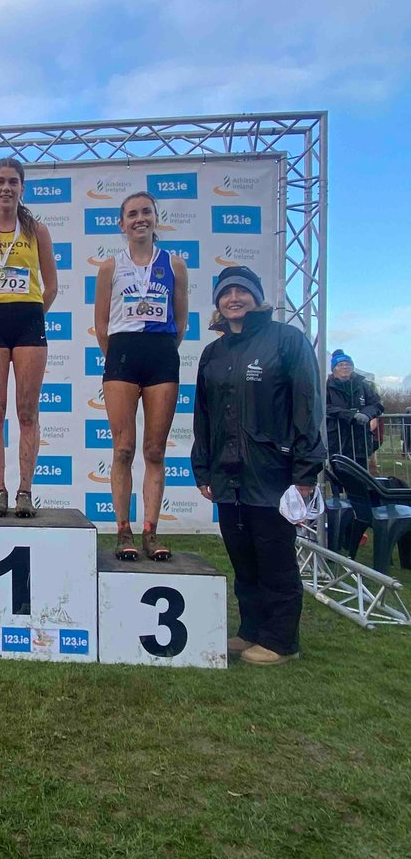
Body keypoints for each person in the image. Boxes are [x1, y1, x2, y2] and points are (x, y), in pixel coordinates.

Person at [191, 266, 325, 666]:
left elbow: (307, 408)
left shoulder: (287, 341)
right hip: (227, 479)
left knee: (275, 559)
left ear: (257, 297)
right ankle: (251, 630)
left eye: (242, 291)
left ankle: (282, 640)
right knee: (243, 559)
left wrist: (305, 473)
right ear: (217, 302)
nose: (234, 298)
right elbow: (203, 416)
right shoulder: (213, 353)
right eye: (226, 292)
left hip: (273, 477)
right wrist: (203, 470)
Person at [93, 191, 188, 561]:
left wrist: (162, 348)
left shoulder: (175, 265)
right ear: (122, 224)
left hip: (161, 355)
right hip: (122, 357)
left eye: (146, 212)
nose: (139, 219)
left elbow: (180, 322)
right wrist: (116, 355)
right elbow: (101, 324)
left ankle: (151, 531)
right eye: (132, 214)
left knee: (154, 450)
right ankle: (122, 530)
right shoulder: (110, 267)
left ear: (155, 218)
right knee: (123, 448)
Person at [0, 157, 58, 517]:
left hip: (29, 319)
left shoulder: (38, 231)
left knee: (27, 411)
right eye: (0, 181)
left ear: (22, 188)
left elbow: (51, 286)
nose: (6, 188)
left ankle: (25, 491)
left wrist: (32, 313)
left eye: (13, 182)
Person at [325, 350, 384, 471]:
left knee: (361, 478)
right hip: (337, 440)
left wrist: (367, 414)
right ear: (334, 368)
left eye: (348, 364)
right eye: (341, 364)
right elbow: (324, 407)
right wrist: (350, 415)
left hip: (360, 440)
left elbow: (377, 404)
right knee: (338, 477)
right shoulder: (326, 387)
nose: (345, 367)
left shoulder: (363, 386)